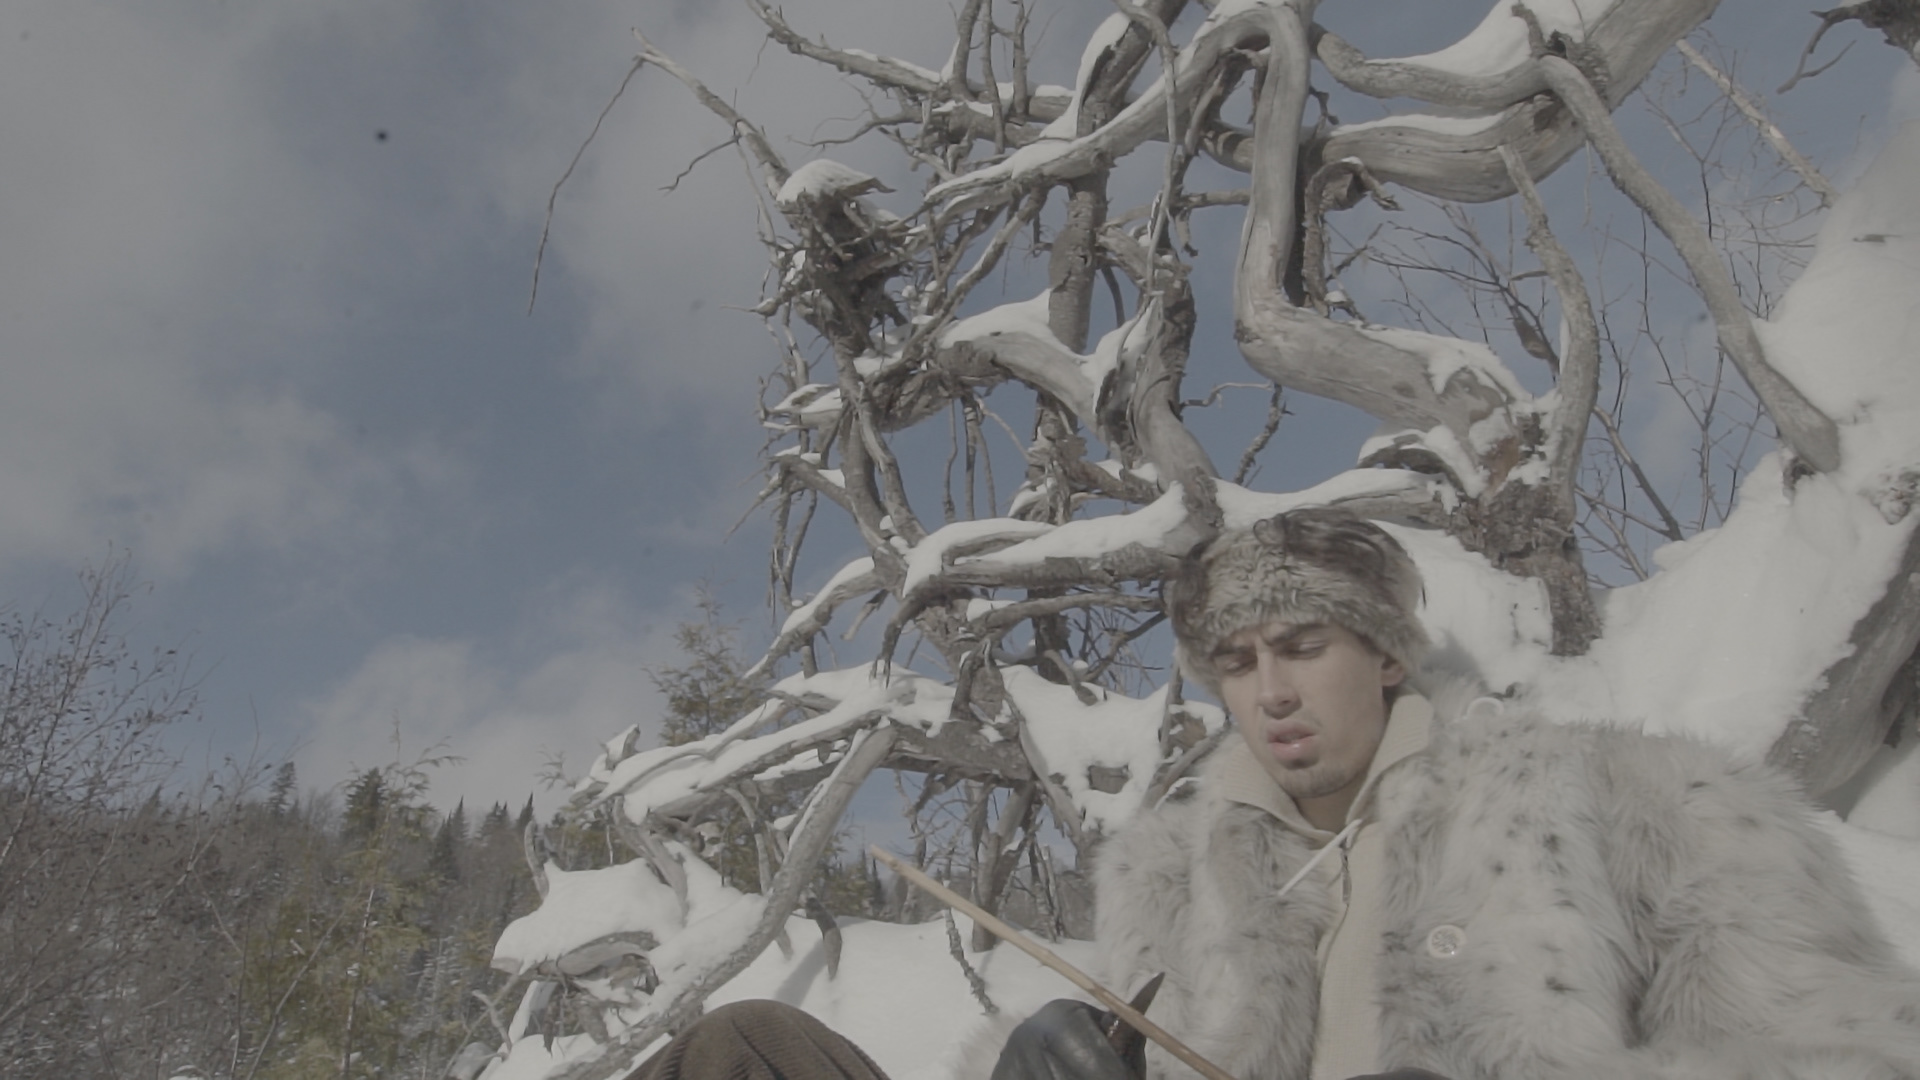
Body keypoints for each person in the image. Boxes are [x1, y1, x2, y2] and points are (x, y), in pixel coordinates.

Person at [627, 508, 1920, 1080]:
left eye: (1303, 646)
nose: (1271, 692)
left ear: (1388, 652)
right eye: (1237, 664)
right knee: (747, 1052)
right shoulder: (1172, 873)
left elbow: (1855, 1056)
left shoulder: (1632, 801)